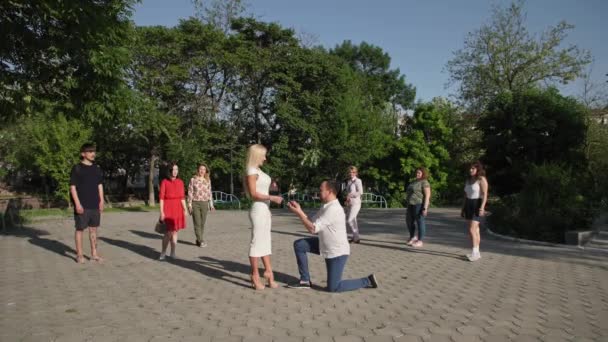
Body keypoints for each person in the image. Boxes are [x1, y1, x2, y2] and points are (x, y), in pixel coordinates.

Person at [287, 180, 378, 292]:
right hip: (324, 245)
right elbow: (312, 221)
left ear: (329, 191)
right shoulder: (326, 206)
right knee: (300, 245)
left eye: (321, 190)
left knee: (334, 287)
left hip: (337, 252)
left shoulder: (333, 209)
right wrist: (300, 210)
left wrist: (299, 214)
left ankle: (367, 280)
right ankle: (305, 281)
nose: (318, 192)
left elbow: (313, 229)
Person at [245, 144, 284, 290]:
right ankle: (255, 275)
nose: (265, 158)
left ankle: (268, 272)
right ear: (256, 155)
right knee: (256, 243)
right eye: (263, 155)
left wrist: (268, 206)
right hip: (258, 209)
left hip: (264, 209)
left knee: (265, 242)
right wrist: (272, 198)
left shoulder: (258, 170)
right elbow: (254, 194)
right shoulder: (251, 171)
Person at [69, 143, 104, 264]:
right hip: (82, 205)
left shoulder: (96, 168)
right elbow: (72, 188)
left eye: (94, 151)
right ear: (83, 154)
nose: (93, 154)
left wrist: (101, 200)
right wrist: (77, 204)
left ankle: (94, 254)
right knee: (80, 230)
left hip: (95, 204)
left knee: (93, 230)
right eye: (90, 151)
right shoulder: (77, 168)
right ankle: (79, 255)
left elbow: (100, 185)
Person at [158, 162, 188, 260]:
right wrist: (161, 212)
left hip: (178, 209)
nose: (175, 171)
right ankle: (163, 253)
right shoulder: (164, 182)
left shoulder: (180, 182)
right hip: (168, 209)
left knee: (175, 232)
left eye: (177, 169)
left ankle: (173, 252)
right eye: (173, 169)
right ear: (169, 170)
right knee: (168, 233)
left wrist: (185, 209)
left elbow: (182, 197)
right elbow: (161, 198)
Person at [461, 161, 489, 262]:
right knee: (475, 230)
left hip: (477, 204)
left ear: (477, 169)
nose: (470, 170)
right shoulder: (468, 180)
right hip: (468, 204)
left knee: (472, 230)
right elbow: (465, 195)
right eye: (470, 168)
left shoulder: (481, 179)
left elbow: (485, 194)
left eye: (473, 168)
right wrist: (463, 208)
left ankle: (474, 252)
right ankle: (477, 252)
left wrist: (482, 207)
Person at [187, 163, 215, 247]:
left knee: (202, 223)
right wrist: (189, 205)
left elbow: (209, 192)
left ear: (206, 171)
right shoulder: (193, 179)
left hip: (204, 203)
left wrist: (211, 205)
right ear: (198, 170)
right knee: (197, 223)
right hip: (195, 203)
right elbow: (190, 192)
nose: (202, 171)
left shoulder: (207, 180)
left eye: (203, 169)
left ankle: (198, 239)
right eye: (200, 169)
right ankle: (201, 240)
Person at [405, 167, 431, 247]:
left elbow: (427, 195)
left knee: (420, 222)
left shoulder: (424, 182)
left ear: (423, 174)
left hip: (419, 204)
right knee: (409, 221)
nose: (417, 174)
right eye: (416, 172)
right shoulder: (414, 182)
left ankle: (420, 240)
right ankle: (412, 237)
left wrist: (425, 208)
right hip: (410, 204)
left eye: (419, 173)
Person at [345, 166, 363, 243]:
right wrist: (347, 198)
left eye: (353, 172)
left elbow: (360, 192)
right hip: (350, 203)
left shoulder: (358, 181)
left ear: (356, 173)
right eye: (350, 172)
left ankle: (356, 237)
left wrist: (351, 195)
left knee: (350, 220)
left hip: (356, 203)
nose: (351, 173)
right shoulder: (349, 181)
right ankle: (356, 238)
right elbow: (348, 192)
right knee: (353, 220)